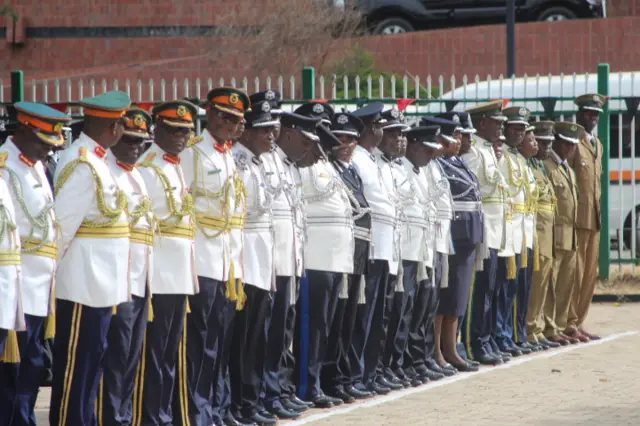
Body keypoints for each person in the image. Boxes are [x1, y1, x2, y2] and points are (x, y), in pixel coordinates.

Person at [50, 91, 131, 426]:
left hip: (100, 283)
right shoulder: (82, 162)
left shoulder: (97, 160)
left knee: (92, 363)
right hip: (82, 281)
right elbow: (62, 228)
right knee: (77, 368)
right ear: (111, 126)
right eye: (122, 123)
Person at [178, 88, 250, 426]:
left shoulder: (227, 155)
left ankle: (214, 409)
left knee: (218, 344)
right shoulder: (194, 153)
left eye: (235, 119)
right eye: (223, 116)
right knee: (200, 343)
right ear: (209, 114)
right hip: (202, 260)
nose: (229, 124)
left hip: (226, 262)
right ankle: (196, 411)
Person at [0, 102, 68, 426]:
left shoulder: (36, 165)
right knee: (13, 372)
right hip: (18, 284)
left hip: (42, 283)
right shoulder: (5, 166)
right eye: (43, 142)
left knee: (33, 365)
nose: (48, 150)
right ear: (24, 130)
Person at [137, 100, 199, 426]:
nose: (181, 137)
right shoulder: (148, 167)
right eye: (174, 130)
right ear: (156, 128)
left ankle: (163, 414)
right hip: (159, 272)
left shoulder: (174, 165)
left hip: (179, 272)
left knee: (170, 353)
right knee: (154, 354)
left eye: (186, 131)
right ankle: (151, 417)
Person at [260, 110, 323, 418]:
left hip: (291, 260)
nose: (308, 148)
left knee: (285, 330)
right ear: (288, 135)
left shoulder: (289, 166)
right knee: (270, 332)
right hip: (273, 262)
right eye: (304, 140)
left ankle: (280, 390)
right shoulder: (266, 162)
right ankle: (267, 394)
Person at [226, 101, 280, 425]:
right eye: (263, 130)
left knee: (257, 337)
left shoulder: (258, 163)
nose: (270, 136)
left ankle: (252, 401)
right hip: (244, 255)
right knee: (242, 339)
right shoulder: (236, 161)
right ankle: (238, 404)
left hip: (262, 257)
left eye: (272, 130)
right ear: (246, 131)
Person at [295, 110, 353, 408]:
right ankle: (306, 385)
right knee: (311, 325)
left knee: (325, 326)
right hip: (314, 257)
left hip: (334, 258)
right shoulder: (301, 168)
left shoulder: (327, 167)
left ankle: (316, 380)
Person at [101, 107, 154, 426]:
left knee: (132, 354)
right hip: (116, 276)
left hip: (141, 274)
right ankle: (111, 416)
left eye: (142, 143)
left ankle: (124, 415)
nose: (136, 147)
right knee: (116, 354)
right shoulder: (106, 170)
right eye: (130, 140)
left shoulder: (137, 173)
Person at [319, 112, 374, 402]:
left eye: (351, 139)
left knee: (349, 319)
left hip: (358, 250)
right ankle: (331, 379)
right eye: (340, 138)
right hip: (342, 249)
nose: (345, 144)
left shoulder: (351, 171)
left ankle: (342, 376)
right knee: (335, 319)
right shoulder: (329, 168)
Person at [350, 102, 399, 395]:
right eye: (379, 125)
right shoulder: (356, 158)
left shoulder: (374, 159)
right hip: (369, 245)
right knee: (363, 316)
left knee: (377, 315)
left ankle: (371, 372)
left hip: (385, 246)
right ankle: (358, 374)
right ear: (368, 128)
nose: (382, 130)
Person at [460, 100, 510, 366]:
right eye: (496, 122)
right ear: (482, 124)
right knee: (477, 291)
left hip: (495, 229)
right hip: (483, 229)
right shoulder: (474, 152)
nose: (500, 127)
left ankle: (486, 338)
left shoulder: (491, 151)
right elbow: (471, 189)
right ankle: (472, 343)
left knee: (489, 290)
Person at [433, 113, 483, 372]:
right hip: (454, 232)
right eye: (455, 135)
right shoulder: (439, 164)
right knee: (446, 294)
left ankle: (451, 348)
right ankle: (440, 351)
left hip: (468, 233)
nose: (460, 138)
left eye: (460, 134)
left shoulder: (458, 163)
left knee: (458, 295)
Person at [400, 124, 442, 384]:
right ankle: (405, 363)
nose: (432, 155)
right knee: (405, 311)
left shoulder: (421, 170)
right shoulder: (402, 169)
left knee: (422, 308)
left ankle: (418, 360)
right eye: (427, 149)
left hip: (423, 246)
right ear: (414, 145)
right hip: (406, 248)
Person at [567, 93, 607, 342]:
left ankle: (578, 322)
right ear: (580, 114)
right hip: (576, 219)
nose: (593, 118)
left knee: (589, 275)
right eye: (589, 113)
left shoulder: (597, 144)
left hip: (593, 218)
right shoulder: (572, 142)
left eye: (596, 114)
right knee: (575, 273)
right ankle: (568, 322)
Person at [492, 106, 530, 358]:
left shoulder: (517, 157)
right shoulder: (501, 155)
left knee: (513, 287)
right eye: (516, 128)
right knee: (501, 287)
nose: (520, 133)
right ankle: (499, 334)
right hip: (505, 227)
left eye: (523, 129)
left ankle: (506, 333)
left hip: (519, 229)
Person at [524, 121, 564, 350]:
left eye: (550, 142)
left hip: (547, 231)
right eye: (542, 142)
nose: (547, 146)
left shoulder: (538, 166)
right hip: (537, 230)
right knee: (536, 281)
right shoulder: (530, 166)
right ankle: (530, 327)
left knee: (544, 282)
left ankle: (536, 326)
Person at [543, 122, 582, 345]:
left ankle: (561, 323)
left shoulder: (568, 169)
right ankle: (550, 327)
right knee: (551, 285)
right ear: (556, 142)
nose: (570, 149)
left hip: (571, 235)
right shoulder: (547, 166)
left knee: (566, 284)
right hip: (556, 235)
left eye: (573, 145)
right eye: (566, 144)